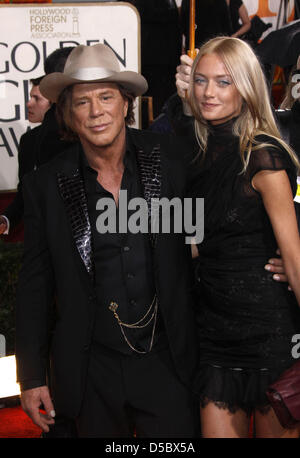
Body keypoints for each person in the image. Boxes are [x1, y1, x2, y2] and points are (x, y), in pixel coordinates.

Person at [15, 43, 199, 438]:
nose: (96, 112)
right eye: (82, 102)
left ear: (126, 102)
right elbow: (33, 287)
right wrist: (30, 377)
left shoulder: (171, 160)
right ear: (67, 113)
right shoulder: (44, 186)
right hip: (89, 368)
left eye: (106, 97)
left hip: (168, 361)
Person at [176, 36, 300, 438]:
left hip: (269, 333)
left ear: (246, 88)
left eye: (224, 81)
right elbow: (193, 239)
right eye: (201, 80)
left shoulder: (264, 156)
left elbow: (295, 260)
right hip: (213, 333)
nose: (208, 92)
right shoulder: (193, 153)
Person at [0, 47, 74, 236]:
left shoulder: (80, 131)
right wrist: (6, 218)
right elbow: (27, 192)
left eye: (36, 98)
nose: (28, 103)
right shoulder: (31, 140)